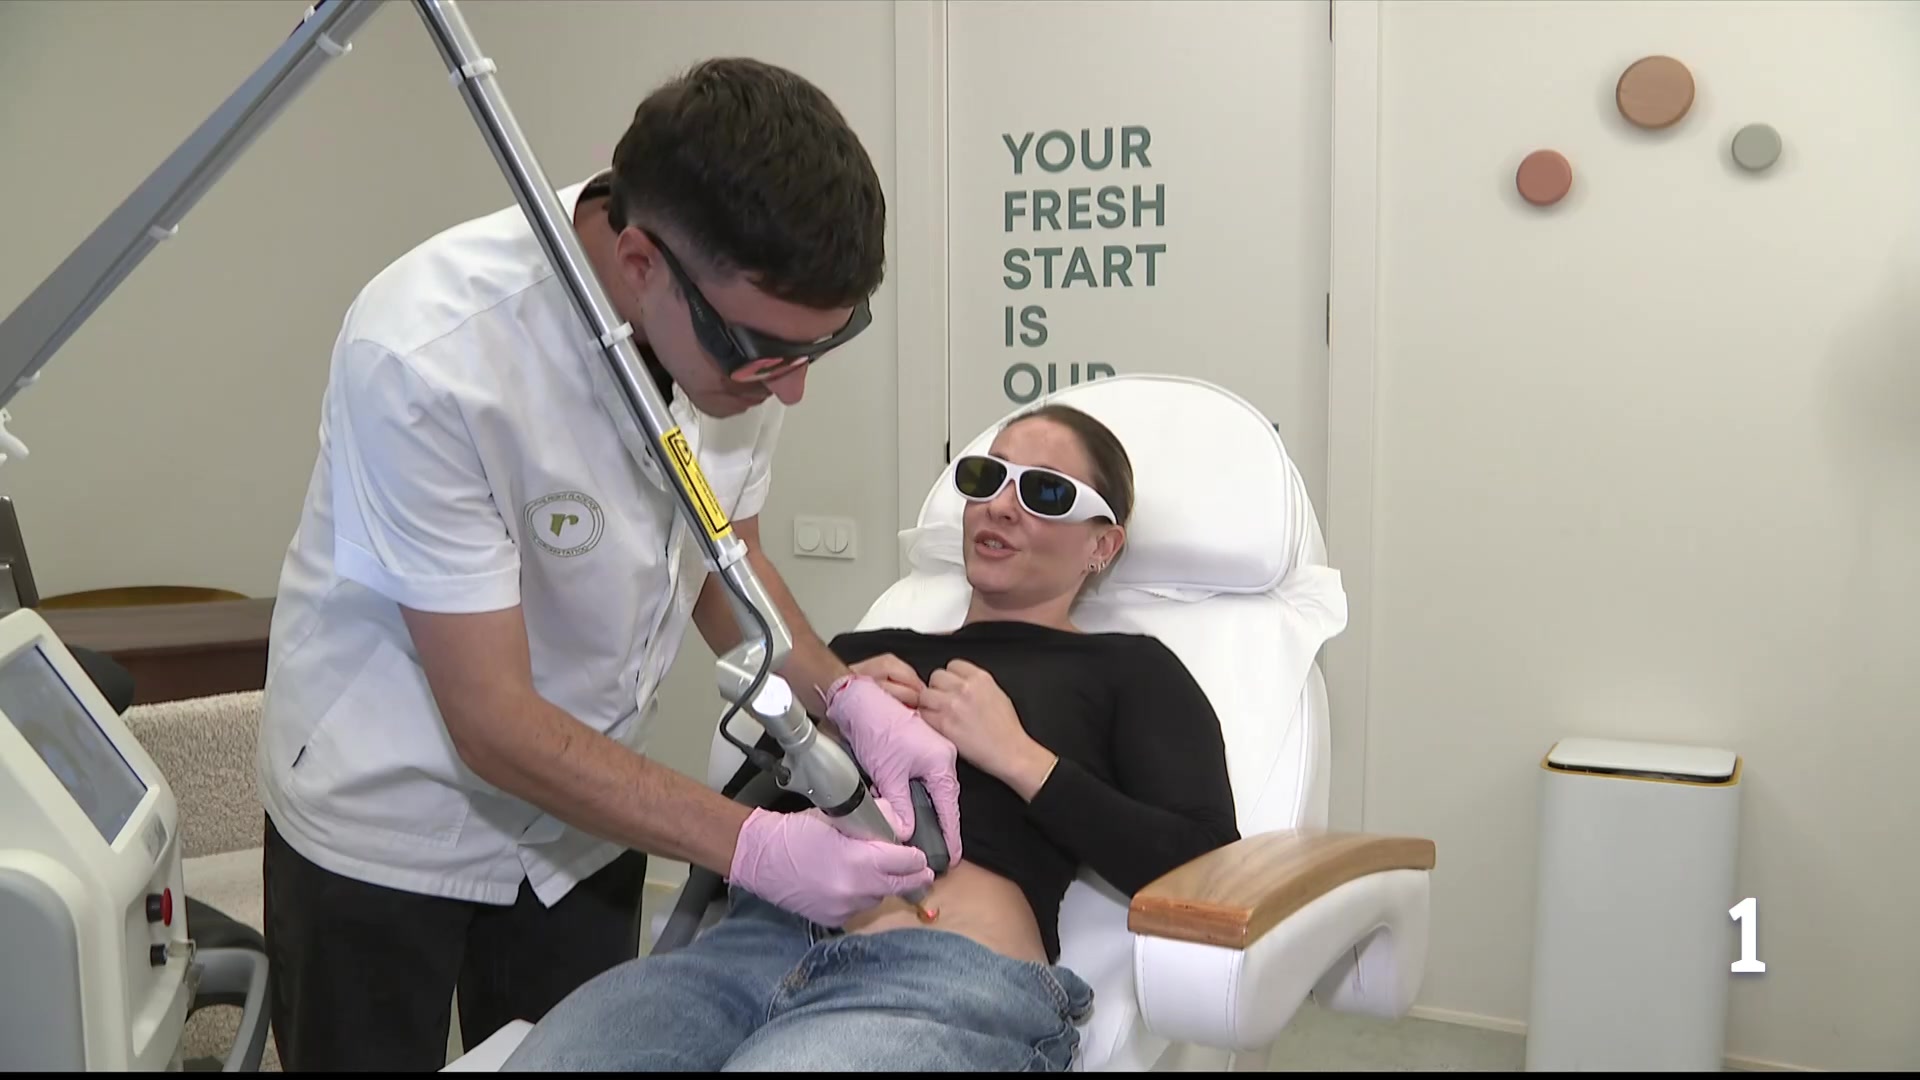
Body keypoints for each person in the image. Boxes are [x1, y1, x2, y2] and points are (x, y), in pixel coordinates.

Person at [254, 58, 961, 1071]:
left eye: (822, 346)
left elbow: (727, 559)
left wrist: (841, 692)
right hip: (391, 817)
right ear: (639, 262)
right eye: (769, 354)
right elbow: (492, 721)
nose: (792, 391)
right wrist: (753, 846)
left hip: (588, 818)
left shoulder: (731, 341)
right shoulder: (429, 353)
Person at [502, 403, 1243, 1072]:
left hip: (939, 971)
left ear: (1102, 545)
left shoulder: (1129, 669)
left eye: (1045, 493)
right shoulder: (855, 659)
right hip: (746, 949)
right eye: (986, 479)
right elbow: (745, 817)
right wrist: (826, 721)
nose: (1001, 506)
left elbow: (1205, 862)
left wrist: (1020, 757)